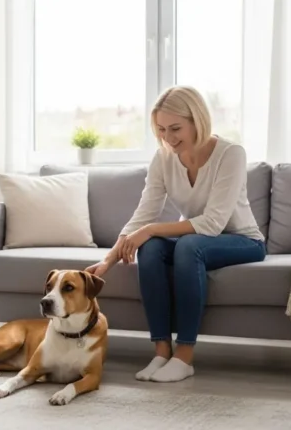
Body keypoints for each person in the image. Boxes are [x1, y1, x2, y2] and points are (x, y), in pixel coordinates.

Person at [85, 85, 266, 383]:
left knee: (185, 246)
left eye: (176, 128)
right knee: (152, 248)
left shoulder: (231, 154)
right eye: (161, 130)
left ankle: (184, 358)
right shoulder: (163, 158)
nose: (168, 138)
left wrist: (151, 229)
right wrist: (107, 262)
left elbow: (213, 223)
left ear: (197, 120)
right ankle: (161, 351)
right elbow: (143, 215)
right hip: (195, 241)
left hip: (243, 240)